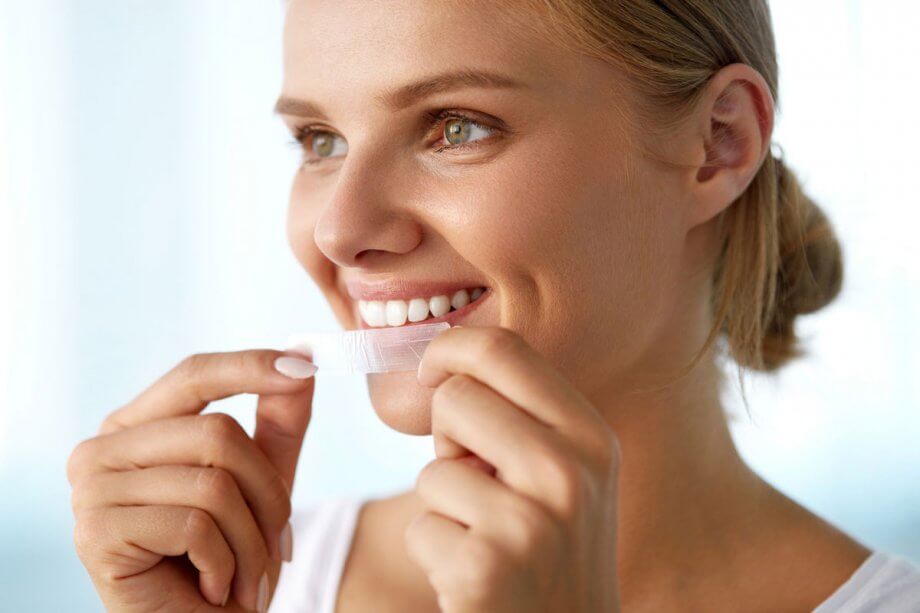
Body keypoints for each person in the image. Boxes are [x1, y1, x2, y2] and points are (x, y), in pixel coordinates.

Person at [67, 0, 920, 611]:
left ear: (719, 145)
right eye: (319, 141)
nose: (340, 229)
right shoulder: (255, 583)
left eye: (457, 126)